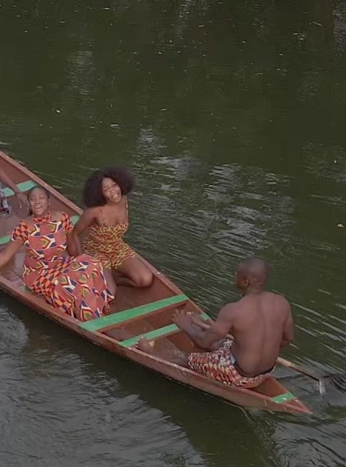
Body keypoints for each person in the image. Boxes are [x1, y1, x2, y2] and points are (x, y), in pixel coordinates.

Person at [0, 186, 115, 322]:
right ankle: (90, 317)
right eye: (33, 199)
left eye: (41, 198)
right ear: (29, 203)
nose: (37, 202)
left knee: (92, 264)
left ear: (48, 201)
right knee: (68, 283)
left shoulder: (62, 218)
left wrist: (79, 263)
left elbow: (71, 245)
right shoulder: (25, 227)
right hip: (38, 273)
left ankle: (97, 306)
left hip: (59, 264)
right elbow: (5, 255)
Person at [174, 258, 293, 389]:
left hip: (239, 375)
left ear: (245, 282)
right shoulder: (282, 303)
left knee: (189, 358)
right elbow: (287, 339)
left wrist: (186, 326)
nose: (234, 277)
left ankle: (155, 354)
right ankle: (217, 342)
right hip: (266, 373)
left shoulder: (233, 310)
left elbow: (204, 342)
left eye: (236, 274)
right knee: (221, 342)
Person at [71, 165, 155, 288]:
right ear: (100, 193)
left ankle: (113, 278)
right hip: (96, 250)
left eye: (114, 185)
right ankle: (106, 279)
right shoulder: (94, 211)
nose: (113, 192)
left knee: (145, 280)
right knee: (110, 292)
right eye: (106, 190)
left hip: (117, 247)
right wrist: (79, 261)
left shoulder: (124, 200)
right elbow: (74, 234)